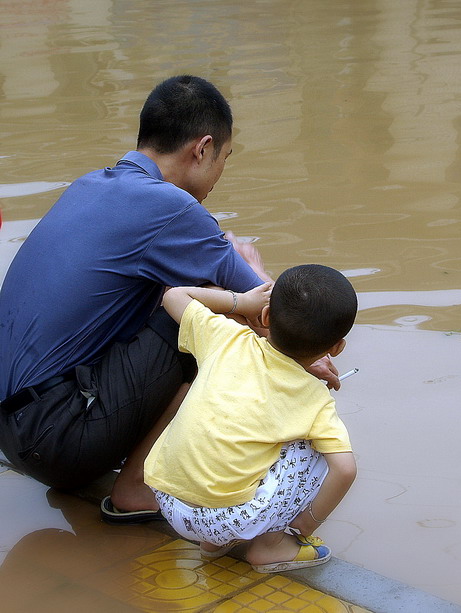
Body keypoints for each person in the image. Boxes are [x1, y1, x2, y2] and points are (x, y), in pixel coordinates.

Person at [0, 76, 340, 521]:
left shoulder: (88, 185)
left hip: (15, 432)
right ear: (202, 149)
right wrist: (308, 350)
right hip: (58, 442)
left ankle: (140, 453)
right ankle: (138, 485)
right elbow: (272, 309)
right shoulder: (171, 207)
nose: (220, 172)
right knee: (206, 312)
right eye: (224, 157)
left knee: (182, 300)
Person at [144, 264, 358, 572]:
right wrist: (306, 525)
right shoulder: (316, 399)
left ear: (267, 317)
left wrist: (241, 302)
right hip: (227, 520)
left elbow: (175, 296)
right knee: (315, 446)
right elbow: (345, 470)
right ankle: (271, 546)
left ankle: (214, 543)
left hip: (168, 503)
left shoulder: (225, 338)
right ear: (336, 348)